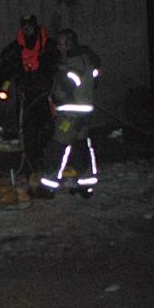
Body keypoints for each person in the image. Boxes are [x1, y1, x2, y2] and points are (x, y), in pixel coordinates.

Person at [36, 28, 101, 199]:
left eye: (61, 43)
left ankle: (47, 186)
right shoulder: (87, 59)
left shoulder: (75, 62)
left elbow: (66, 85)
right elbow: (93, 83)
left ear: (69, 43)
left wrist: (55, 92)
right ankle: (85, 184)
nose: (58, 47)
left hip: (70, 114)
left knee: (56, 147)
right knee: (80, 147)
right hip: (84, 112)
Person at [0, 14, 57, 172]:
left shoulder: (49, 46)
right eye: (24, 27)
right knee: (27, 130)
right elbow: (5, 70)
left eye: (30, 26)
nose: (27, 29)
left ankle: (47, 161)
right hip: (25, 97)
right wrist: (3, 88)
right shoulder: (15, 48)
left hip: (44, 95)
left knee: (47, 129)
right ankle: (30, 164)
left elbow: (56, 65)